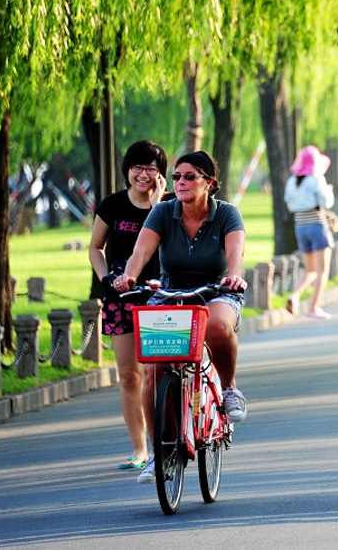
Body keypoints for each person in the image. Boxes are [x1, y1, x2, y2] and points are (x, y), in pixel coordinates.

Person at [114, 150, 248, 484]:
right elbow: (140, 253)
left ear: (208, 183)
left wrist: (234, 275)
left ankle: (229, 388)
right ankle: (159, 452)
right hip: (170, 292)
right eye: (176, 177)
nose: (181, 183)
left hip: (216, 291)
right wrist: (128, 276)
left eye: (189, 177)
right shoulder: (162, 212)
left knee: (217, 326)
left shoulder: (227, 214)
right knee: (154, 370)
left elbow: (236, 254)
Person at [88, 140, 169, 471]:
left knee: (156, 371)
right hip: (120, 298)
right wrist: (105, 277)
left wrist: (157, 205)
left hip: (159, 297)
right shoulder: (112, 205)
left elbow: (166, 243)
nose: (144, 174)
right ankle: (139, 449)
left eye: (152, 168)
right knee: (129, 376)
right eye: (138, 166)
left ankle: (163, 441)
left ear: (162, 174)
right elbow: (95, 247)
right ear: (127, 170)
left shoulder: (170, 205)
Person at [284, 145, 336, 319]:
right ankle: (313, 307)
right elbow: (326, 202)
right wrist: (328, 191)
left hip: (300, 226)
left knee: (310, 269)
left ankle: (295, 296)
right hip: (317, 225)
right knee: (323, 270)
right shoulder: (316, 179)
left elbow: (290, 205)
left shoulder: (292, 181)